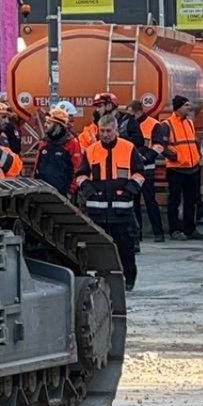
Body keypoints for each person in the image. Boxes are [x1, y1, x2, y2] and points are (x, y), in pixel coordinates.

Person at [75, 114, 144, 291]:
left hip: (122, 212)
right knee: (98, 249)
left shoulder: (128, 149)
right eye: (102, 131)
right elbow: (80, 175)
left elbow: (139, 174)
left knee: (126, 248)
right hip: (97, 212)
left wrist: (129, 192)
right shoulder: (91, 150)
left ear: (116, 131)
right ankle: (101, 280)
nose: (105, 134)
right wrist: (90, 193)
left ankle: (129, 279)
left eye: (108, 131)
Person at [164, 95, 203, 240]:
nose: (189, 107)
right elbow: (160, 146)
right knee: (174, 201)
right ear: (179, 107)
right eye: (186, 105)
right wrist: (174, 156)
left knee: (191, 200)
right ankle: (174, 230)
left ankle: (189, 229)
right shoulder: (167, 125)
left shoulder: (189, 123)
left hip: (192, 167)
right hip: (176, 168)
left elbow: (192, 142)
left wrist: (198, 158)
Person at [127, 100, 165, 243]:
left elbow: (159, 145)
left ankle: (158, 232)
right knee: (135, 203)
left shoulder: (153, 124)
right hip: (134, 168)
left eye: (131, 114)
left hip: (147, 168)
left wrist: (147, 158)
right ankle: (138, 234)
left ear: (137, 112)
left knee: (150, 201)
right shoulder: (130, 125)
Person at [34, 107, 83, 198]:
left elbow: (77, 169)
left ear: (57, 125)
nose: (45, 125)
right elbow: (36, 167)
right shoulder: (44, 142)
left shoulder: (71, 143)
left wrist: (71, 191)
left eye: (49, 123)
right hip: (42, 192)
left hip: (63, 194)